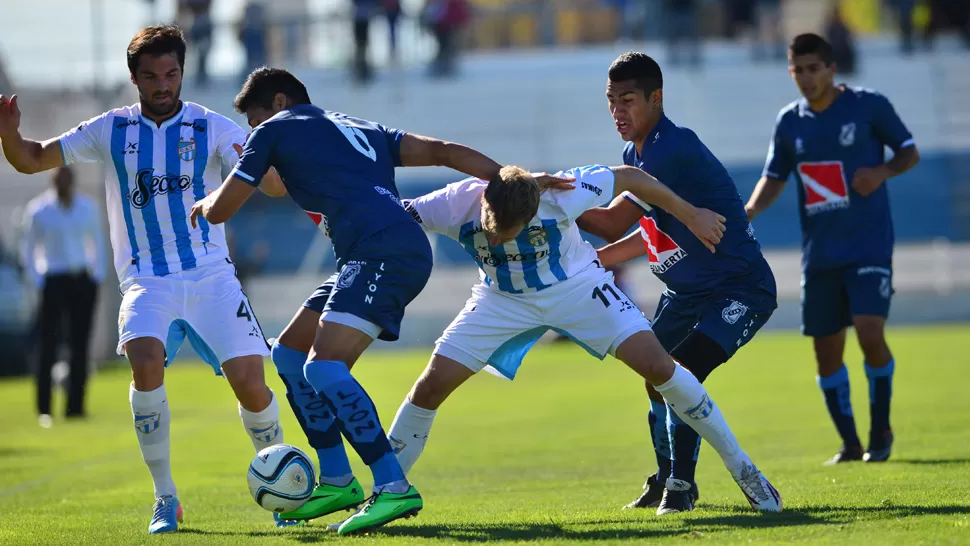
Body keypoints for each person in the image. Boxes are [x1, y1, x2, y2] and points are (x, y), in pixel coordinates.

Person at [188, 66, 570, 535]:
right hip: (373, 253)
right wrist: (516, 179)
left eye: (255, 124)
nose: (253, 139)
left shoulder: (274, 129)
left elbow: (223, 208)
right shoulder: (360, 128)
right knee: (288, 353)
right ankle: (336, 479)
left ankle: (392, 486)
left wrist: (204, 204)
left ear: (280, 104)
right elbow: (444, 151)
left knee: (323, 368)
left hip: (382, 252)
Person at [0, 25, 290, 534]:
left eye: (172, 74)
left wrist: (278, 148)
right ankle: (166, 498)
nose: (163, 85)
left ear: (182, 72)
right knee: (145, 362)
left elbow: (271, 184)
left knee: (250, 383)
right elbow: (31, 158)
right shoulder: (111, 129)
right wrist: (7, 132)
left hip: (210, 276)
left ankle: (283, 489)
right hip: (146, 281)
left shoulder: (212, 126)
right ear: (134, 77)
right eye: (152, 76)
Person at [382, 164, 782, 516]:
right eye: (495, 230)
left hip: (578, 289)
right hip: (500, 301)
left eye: (514, 231)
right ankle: (389, 490)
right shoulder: (452, 202)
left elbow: (632, 177)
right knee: (430, 385)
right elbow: (388, 214)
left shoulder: (561, 193)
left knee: (662, 368)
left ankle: (744, 470)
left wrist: (690, 213)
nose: (502, 239)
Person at [574, 52, 779, 515]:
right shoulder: (637, 154)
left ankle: (681, 487)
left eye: (627, 100)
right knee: (655, 377)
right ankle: (666, 477)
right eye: (611, 101)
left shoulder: (670, 148)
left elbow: (609, 223)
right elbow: (648, 234)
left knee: (681, 372)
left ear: (656, 98)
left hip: (739, 289)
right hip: (686, 293)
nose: (617, 111)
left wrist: (545, 199)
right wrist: (602, 260)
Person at [744, 33, 919, 465]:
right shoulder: (790, 122)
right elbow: (775, 177)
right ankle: (850, 443)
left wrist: (880, 172)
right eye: (797, 70)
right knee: (825, 353)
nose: (805, 78)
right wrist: (747, 210)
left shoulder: (868, 105)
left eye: (812, 69)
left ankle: (881, 429)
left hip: (868, 245)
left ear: (831, 68)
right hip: (820, 254)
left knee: (870, 330)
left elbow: (909, 152)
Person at [21, 166, 105, 427]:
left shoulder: (87, 208)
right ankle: (44, 408)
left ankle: (75, 407)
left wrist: (96, 276)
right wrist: (38, 279)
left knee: (79, 345)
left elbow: (98, 242)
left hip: (81, 280)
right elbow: (28, 247)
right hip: (53, 281)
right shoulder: (39, 210)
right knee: (48, 345)